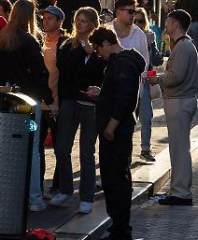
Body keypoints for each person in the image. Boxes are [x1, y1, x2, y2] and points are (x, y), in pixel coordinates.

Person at [0, 0, 56, 212]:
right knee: (32, 146)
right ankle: (34, 197)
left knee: (9, 147)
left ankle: (8, 195)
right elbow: (40, 73)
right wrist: (48, 98)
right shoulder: (29, 41)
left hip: (7, 100)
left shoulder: (3, 38)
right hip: (29, 102)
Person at [86, 27, 145, 240]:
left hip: (117, 131)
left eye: (97, 48)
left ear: (106, 43)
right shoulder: (120, 64)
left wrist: (111, 125)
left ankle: (120, 228)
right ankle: (118, 226)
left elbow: (125, 98)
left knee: (116, 178)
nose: (97, 53)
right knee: (114, 176)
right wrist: (103, 94)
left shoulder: (122, 64)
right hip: (115, 128)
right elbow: (119, 94)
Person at [52, 7, 106, 214]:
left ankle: (86, 197)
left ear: (93, 23)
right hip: (70, 101)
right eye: (77, 20)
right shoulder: (67, 45)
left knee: (86, 152)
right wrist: (82, 50)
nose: (79, 24)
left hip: (90, 105)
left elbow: (102, 73)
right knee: (62, 148)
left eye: (84, 20)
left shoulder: (101, 48)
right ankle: (65, 189)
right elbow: (63, 67)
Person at [148, 10, 198, 206]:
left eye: (168, 21)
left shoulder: (184, 47)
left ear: (176, 24)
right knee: (179, 148)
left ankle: (181, 192)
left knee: (179, 149)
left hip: (180, 101)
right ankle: (178, 190)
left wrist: (157, 78)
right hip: (179, 100)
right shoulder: (183, 46)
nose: (166, 25)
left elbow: (176, 76)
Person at [39, 5, 66, 200]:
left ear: (59, 21)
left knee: (60, 146)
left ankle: (58, 185)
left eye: (50, 18)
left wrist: (58, 102)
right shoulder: (39, 40)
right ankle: (37, 184)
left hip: (55, 103)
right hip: (38, 103)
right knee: (36, 145)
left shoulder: (64, 43)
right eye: (44, 18)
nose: (45, 21)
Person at [134, 8, 160, 162]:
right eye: (135, 20)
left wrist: (158, 56)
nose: (137, 24)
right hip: (129, 81)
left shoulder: (150, 36)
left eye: (141, 21)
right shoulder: (126, 35)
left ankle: (146, 149)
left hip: (144, 81)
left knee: (146, 116)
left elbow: (154, 59)